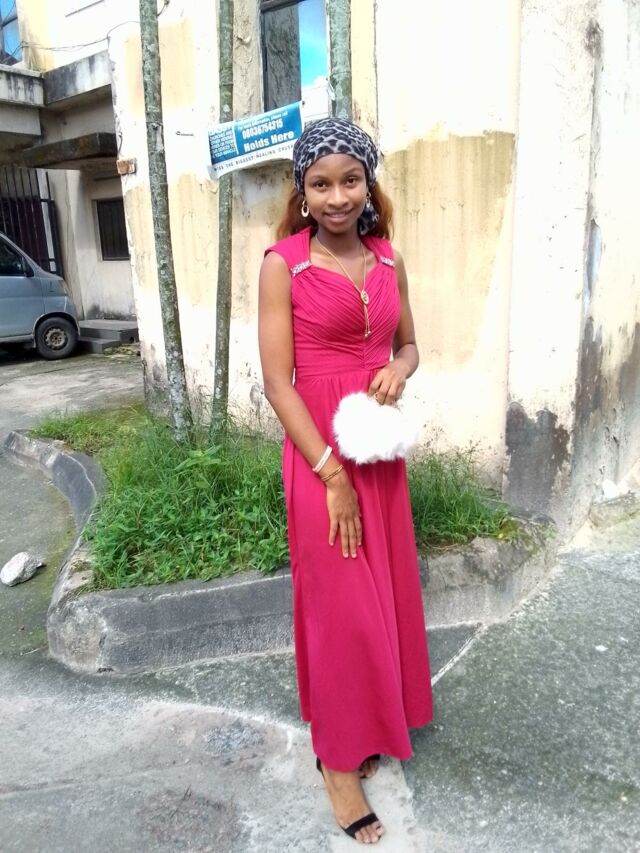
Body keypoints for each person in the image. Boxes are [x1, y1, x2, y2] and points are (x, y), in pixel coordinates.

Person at [258, 117, 433, 845]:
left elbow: (411, 345)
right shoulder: (284, 264)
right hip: (321, 456)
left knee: (380, 595)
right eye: (321, 183)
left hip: (378, 448)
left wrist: (398, 368)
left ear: (368, 184)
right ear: (302, 191)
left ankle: (367, 724)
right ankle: (336, 761)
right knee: (340, 607)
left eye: (350, 180)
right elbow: (278, 382)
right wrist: (329, 473)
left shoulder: (388, 258)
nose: (337, 197)